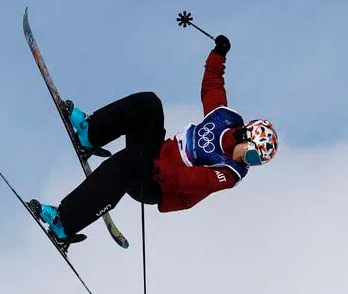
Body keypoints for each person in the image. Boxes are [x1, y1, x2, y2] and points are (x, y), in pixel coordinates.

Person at [28, 33, 278, 248]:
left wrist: (157, 170)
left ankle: (64, 223)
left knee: (128, 163)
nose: (248, 162)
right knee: (148, 104)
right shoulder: (224, 119)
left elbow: (194, 180)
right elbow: (212, 86)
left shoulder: (230, 173)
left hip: (159, 185)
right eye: (252, 155)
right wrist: (218, 54)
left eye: (255, 162)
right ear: (246, 134)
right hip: (156, 153)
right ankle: (90, 133)